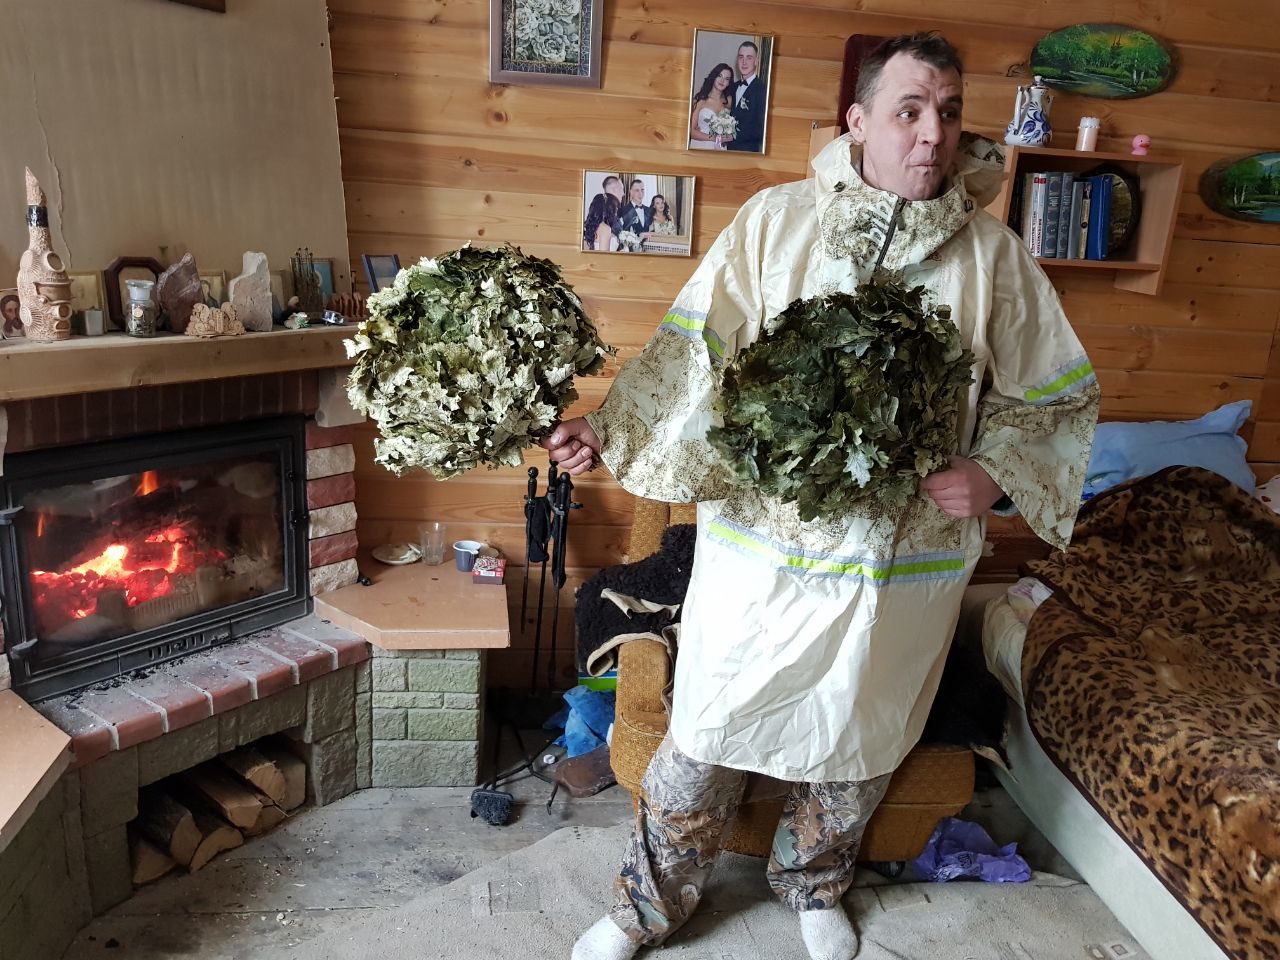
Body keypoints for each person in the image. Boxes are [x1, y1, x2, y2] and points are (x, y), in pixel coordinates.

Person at [547, 32, 1100, 960]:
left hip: (904, 562)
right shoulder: (777, 223)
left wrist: (994, 474)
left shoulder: (994, 258)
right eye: (909, 111)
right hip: (766, 554)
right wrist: (609, 428)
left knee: (860, 734)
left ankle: (813, 884)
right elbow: (695, 349)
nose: (932, 134)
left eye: (948, 112)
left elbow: (1053, 395)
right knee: (707, 730)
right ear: (859, 121)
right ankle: (647, 907)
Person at [726, 40, 768, 152]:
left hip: (748, 152)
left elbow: (762, 129)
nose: (744, 62)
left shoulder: (762, 90)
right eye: (741, 57)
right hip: (727, 150)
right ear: (737, 61)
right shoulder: (732, 87)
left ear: (756, 61)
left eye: (749, 58)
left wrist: (734, 135)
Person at [689, 62, 735, 150]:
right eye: (719, 76)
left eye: (726, 79)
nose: (722, 81)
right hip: (701, 146)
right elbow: (691, 131)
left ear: (728, 83)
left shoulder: (729, 102)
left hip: (720, 148)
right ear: (714, 77)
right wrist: (715, 138)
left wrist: (729, 136)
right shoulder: (701, 100)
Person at [583, 175, 623, 252]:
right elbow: (604, 256)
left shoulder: (592, 225)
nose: (623, 193)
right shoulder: (605, 228)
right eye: (622, 189)